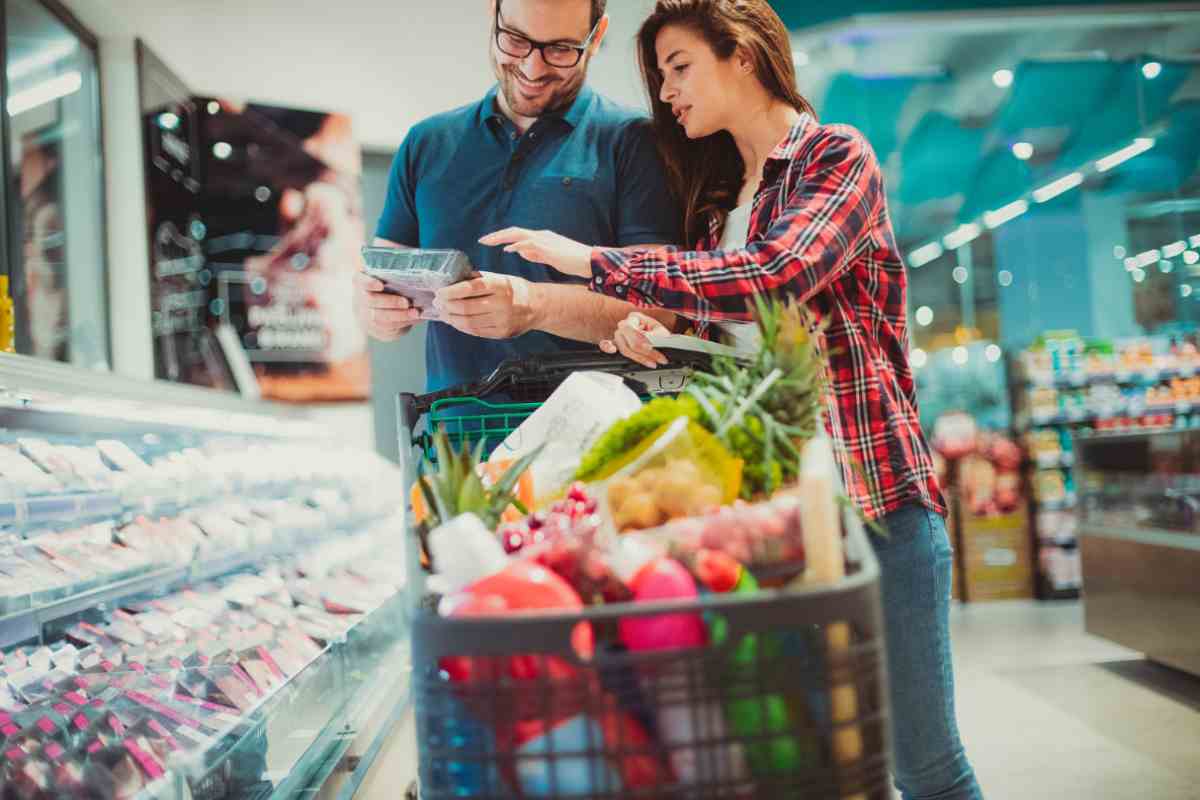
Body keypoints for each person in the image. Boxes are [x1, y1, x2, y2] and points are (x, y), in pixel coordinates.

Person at [478, 1, 985, 798]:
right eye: (659, 78)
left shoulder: (833, 157)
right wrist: (657, 336)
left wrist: (594, 263)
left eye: (679, 67)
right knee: (828, 764)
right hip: (777, 522)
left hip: (875, 502)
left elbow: (778, 277)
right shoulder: (722, 209)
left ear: (742, 55)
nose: (668, 94)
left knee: (924, 764)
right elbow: (737, 343)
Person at [357, 0, 681, 392]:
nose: (533, 68)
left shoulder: (636, 142)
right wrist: (377, 312)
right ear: (492, 14)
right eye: (515, 40)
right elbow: (380, 286)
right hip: (455, 435)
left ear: (597, 37)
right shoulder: (426, 142)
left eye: (561, 49)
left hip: (594, 439)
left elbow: (661, 310)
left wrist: (532, 305)